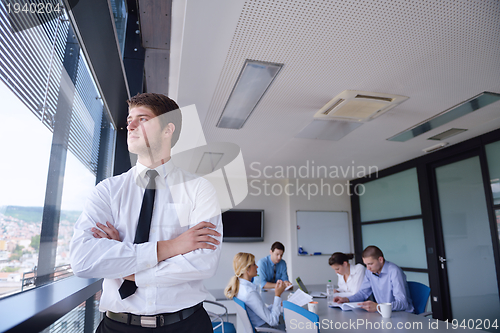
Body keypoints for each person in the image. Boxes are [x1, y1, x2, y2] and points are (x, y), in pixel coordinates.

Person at [70, 93, 222, 333]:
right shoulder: (108, 191)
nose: (130, 125)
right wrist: (173, 247)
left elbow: (203, 264)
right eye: (130, 118)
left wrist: (125, 269)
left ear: (167, 129)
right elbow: (82, 260)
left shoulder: (199, 189)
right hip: (117, 326)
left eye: (142, 119)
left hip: (186, 326)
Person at [333, 246, 414, 313]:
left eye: (370, 264)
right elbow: (363, 293)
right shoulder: (370, 272)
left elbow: (402, 303)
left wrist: (378, 307)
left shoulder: (394, 271)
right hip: (383, 313)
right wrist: (347, 299)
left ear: (380, 260)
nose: (368, 268)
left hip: (401, 314)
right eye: (366, 264)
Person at [224, 252, 286, 330]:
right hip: (266, 330)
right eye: (254, 264)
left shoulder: (240, 287)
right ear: (247, 269)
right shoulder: (250, 293)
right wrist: (277, 295)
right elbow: (273, 321)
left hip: (261, 327)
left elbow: (260, 310)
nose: (257, 266)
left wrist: (275, 305)